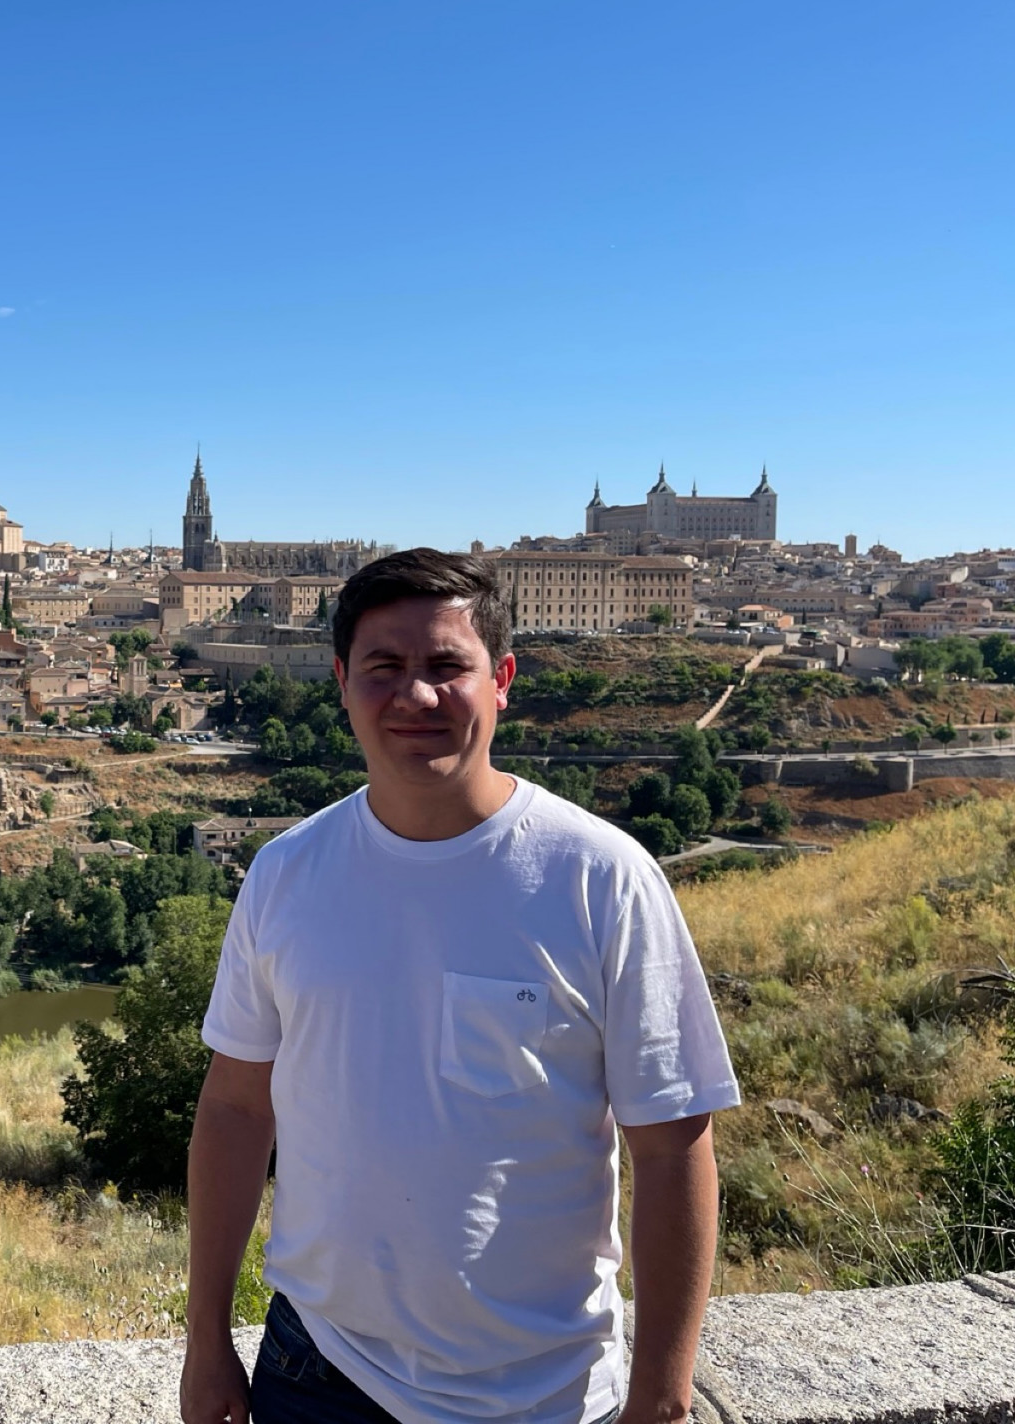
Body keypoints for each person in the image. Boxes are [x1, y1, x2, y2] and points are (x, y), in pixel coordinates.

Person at [180, 549, 740, 1424]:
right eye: (384, 668)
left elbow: (673, 1149)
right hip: (316, 1372)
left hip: (545, 1395)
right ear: (341, 683)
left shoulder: (602, 878)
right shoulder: (285, 874)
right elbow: (236, 1109)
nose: (417, 696)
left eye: (448, 666)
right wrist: (206, 1339)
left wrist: (662, 1399)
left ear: (502, 679)